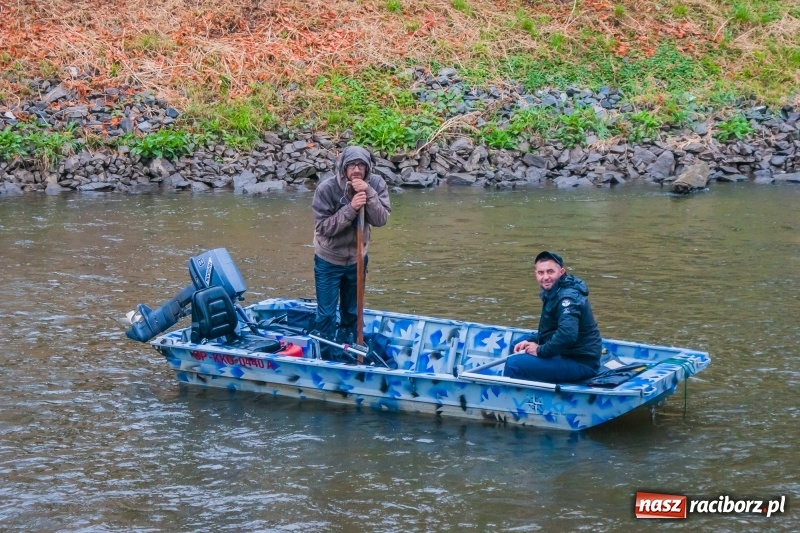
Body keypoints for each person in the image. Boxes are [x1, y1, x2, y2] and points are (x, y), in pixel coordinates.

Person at [311, 145, 391, 346]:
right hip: (329, 259)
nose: (356, 170)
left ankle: (349, 350)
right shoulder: (327, 189)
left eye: (361, 165)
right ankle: (326, 353)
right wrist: (352, 208)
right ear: (343, 168)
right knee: (327, 314)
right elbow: (324, 228)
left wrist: (369, 194)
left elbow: (381, 219)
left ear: (367, 168)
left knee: (353, 312)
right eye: (352, 165)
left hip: (357, 258)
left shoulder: (376, 184)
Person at [503, 251, 602, 383]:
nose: (545, 277)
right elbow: (550, 330)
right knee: (517, 346)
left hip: (581, 362)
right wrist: (533, 341)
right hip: (567, 353)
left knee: (514, 364)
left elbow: (567, 335)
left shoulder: (567, 298)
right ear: (536, 274)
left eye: (550, 272)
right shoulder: (553, 292)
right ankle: (538, 383)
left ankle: (518, 398)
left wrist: (539, 350)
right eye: (541, 273)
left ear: (561, 272)